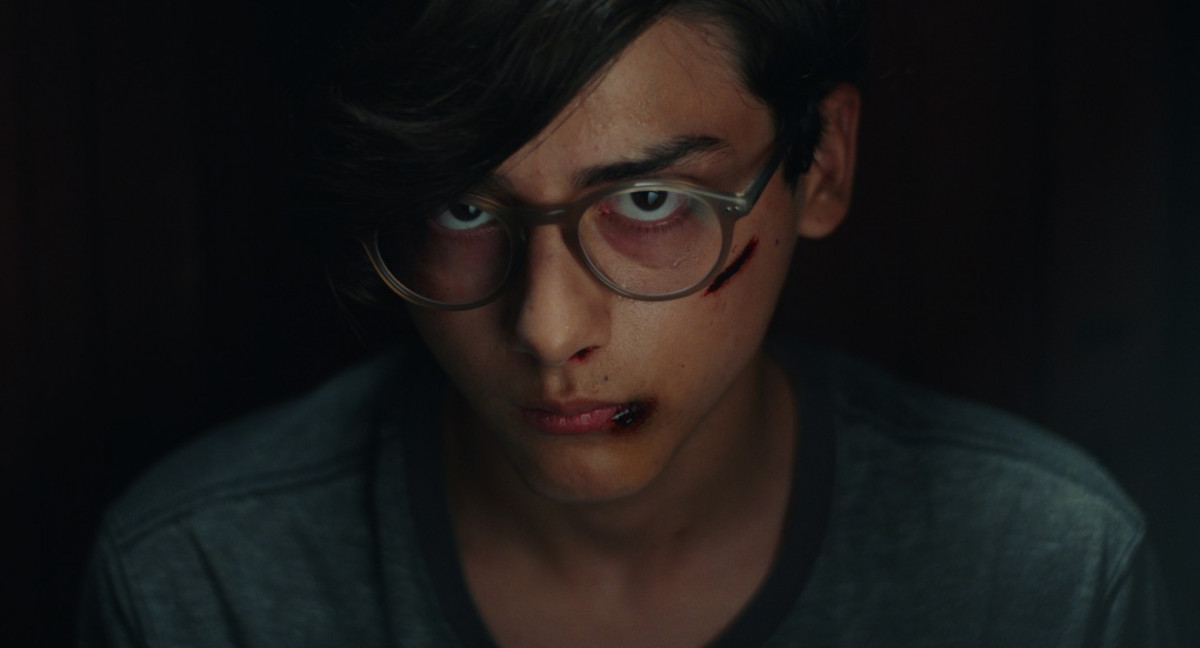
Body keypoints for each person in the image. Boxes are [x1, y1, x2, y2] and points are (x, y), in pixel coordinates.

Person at [79, 0, 1177, 646]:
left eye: (648, 202)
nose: (548, 329)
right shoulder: (201, 584)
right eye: (462, 208)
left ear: (823, 165)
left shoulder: (1045, 574)